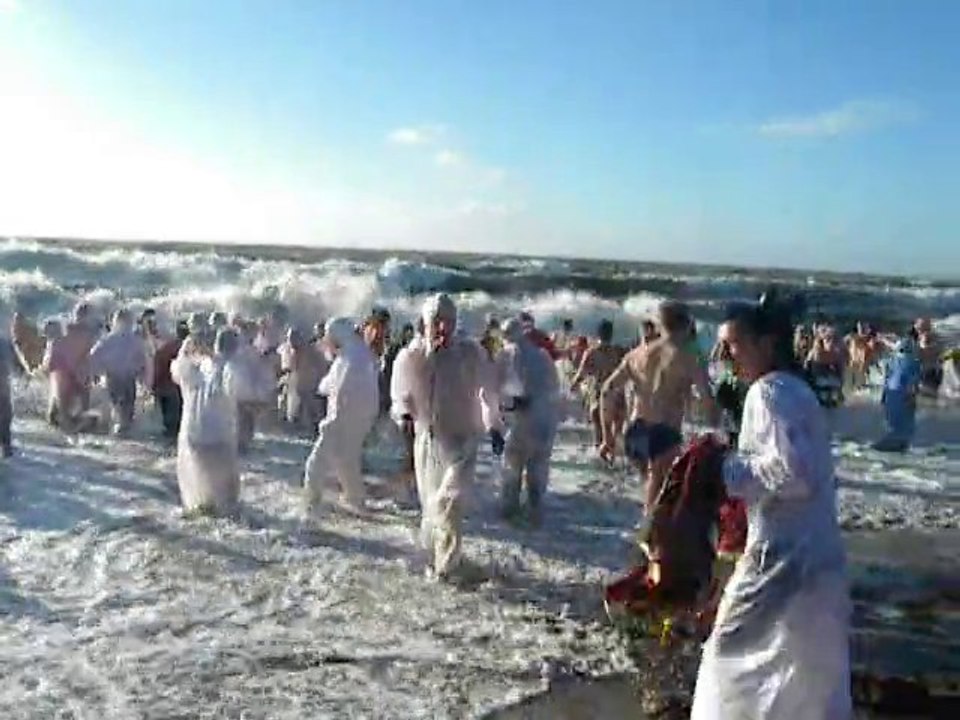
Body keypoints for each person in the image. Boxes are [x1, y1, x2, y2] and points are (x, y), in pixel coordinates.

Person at [691, 295, 851, 720]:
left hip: (781, 557)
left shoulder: (768, 392)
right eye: (723, 346)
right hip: (819, 555)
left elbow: (794, 474)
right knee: (807, 672)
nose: (727, 356)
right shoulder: (797, 389)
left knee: (727, 657)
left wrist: (728, 469)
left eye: (735, 345)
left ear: (766, 344)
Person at [391, 293, 504, 580]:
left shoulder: (470, 353)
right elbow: (400, 394)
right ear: (425, 324)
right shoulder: (411, 356)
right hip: (427, 442)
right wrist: (404, 413)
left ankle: (447, 568)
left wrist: (494, 425)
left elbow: (487, 393)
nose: (443, 329)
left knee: (449, 503)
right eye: (437, 322)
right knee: (431, 507)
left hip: (463, 441)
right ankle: (433, 559)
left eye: (449, 322)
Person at [600, 302, 717, 511]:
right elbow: (706, 397)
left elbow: (607, 390)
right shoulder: (689, 357)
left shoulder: (637, 354)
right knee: (658, 496)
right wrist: (713, 430)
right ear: (686, 323)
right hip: (664, 433)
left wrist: (607, 437)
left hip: (635, 433)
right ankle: (648, 532)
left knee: (652, 487)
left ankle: (646, 531)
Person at [303, 317, 380, 514]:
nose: (327, 342)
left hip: (340, 422)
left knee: (315, 465)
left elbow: (343, 392)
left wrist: (330, 422)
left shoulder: (352, 358)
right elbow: (328, 386)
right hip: (355, 422)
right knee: (346, 463)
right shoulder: (355, 354)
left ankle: (310, 505)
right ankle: (356, 502)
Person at [171, 327, 242, 516]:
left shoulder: (201, 365)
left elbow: (178, 371)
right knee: (228, 494)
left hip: (193, 435)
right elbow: (246, 396)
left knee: (204, 493)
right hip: (218, 436)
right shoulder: (232, 368)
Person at [499, 318, 559, 526]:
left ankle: (511, 511)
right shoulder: (542, 355)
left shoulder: (508, 354)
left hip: (520, 420)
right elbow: (555, 389)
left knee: (512, 467)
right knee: (537, 467)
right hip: (544, 420)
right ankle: (535, 511)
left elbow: (501, 388)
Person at [89, 309, 147, 435]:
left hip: (112, 377)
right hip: (129, 378)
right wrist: (142, 375)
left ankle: (116, 428)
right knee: (127, 406)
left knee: (116, 405)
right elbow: (143, 359)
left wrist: (96, 372)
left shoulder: (108, 339)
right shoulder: (135, 340)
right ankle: (125, 430)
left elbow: (93, 355)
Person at [570, 319, 623, 449]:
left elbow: (581, 374)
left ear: (598, 334)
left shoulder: (591, 352)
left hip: (598, 395)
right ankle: (613, 457)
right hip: (615, 394)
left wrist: (573, 385)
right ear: (611, 334)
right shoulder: (618, 351)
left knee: (599, 431)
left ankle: (601, 461)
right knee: (612, 431)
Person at [874, 338, 921, 452]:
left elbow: (886, 380)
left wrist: (883, 396)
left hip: (891, 393)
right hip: (903, 394)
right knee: (904, 420)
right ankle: (900, 442)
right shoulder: (914, 363)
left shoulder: (891, 361)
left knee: (893, 419)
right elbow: (912, 382)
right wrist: (912, 397)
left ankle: (893, 441)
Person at [153, 321, 189, 440]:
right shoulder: (191, 349)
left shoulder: (166, 347)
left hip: (165, 389)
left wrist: (154, 386)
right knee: (180, 423)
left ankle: (168, 448)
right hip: (179, 390)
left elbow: (157, 367)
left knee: (169, 424)